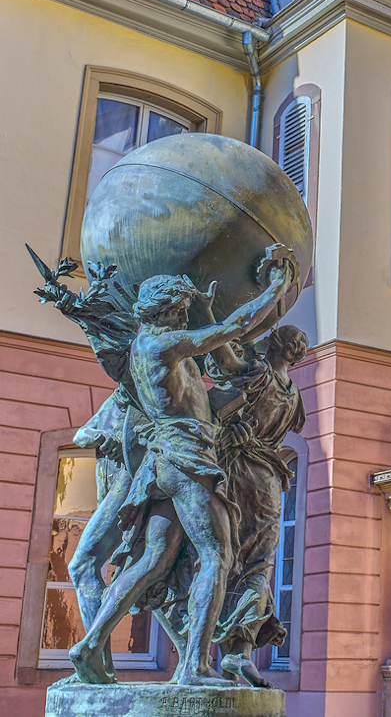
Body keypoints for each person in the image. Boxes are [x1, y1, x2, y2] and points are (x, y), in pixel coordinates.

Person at [69, 248, 296, 686]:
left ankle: (91, 644)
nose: (186, 315)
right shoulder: (165, 344)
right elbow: (235, 327)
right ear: (173, 310)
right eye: (184, 308)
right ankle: (194, 667)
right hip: (188, 459)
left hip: (167, 463)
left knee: (154, 560)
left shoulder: (149, 346)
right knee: (218, 556)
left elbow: (203, 393)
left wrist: (208, 309)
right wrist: (275, 288)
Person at [212, 324, 309, 687]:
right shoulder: (294, 395)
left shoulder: (258, 373)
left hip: (237, 469)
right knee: (258, 565)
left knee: (225, 559)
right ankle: (240, 650)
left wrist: (218, 324)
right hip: (268, 481)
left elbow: (224, 361)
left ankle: (226, 649)